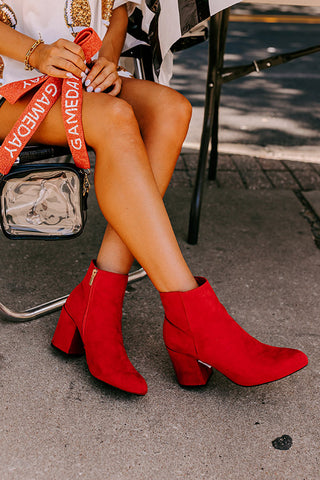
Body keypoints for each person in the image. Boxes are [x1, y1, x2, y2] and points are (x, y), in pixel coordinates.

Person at [0, 0, 308, 396]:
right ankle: (195, 321)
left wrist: (108, 57)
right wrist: (36, 52)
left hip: (79, 81)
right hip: (10, 87)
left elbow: (118, 8)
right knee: (116, 119)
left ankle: (98, 299)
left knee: (171, 109)